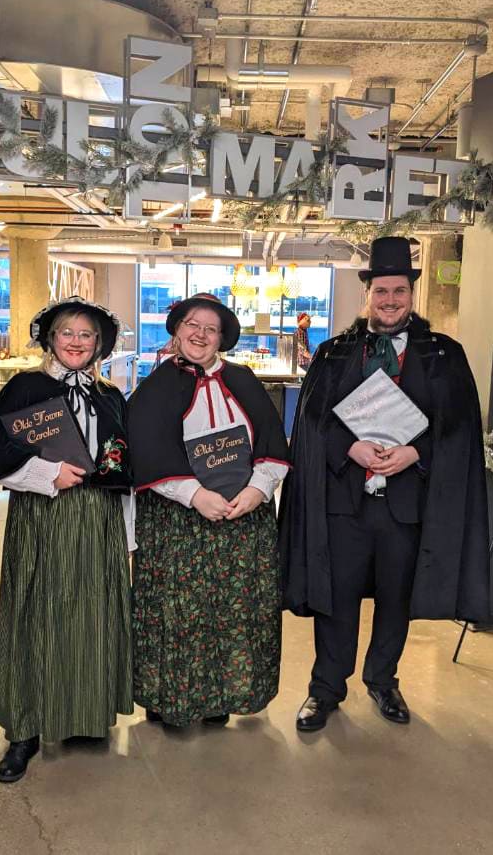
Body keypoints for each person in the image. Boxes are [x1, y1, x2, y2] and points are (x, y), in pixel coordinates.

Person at [279, 236, 489, 730]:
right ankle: (325, 689)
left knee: (397, 597)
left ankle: (383, 680)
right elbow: (310, 427)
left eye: (398, 291)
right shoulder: (333, 354)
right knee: (336, 597)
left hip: (407, 503)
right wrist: (348, 448)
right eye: (381, 291)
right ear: (367, 294)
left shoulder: (444, 355)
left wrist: (416, 452)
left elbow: (459, 430)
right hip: (344, 501)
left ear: (411, 294)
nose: (389, 300)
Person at [0, 297, 135, 782]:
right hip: (42, 515)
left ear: (98, 344)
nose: (77, 342)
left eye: (86, 335)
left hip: (96, 520)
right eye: (67, 333)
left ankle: (80, 712)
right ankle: (25, 730)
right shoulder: (25, 388)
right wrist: (46, 473)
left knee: (90, 611)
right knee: (35, 612)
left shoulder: (109, 395)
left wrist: (126, 529)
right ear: (51, 339)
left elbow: (123, 462)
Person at [128, 293, 291, 727]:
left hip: (243, 517)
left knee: (233, 610)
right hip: (177, 521)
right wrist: (194, 494)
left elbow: (273, 442)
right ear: (177, 330)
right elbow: (146, 447)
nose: (200, 334)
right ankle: (170, 698)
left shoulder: (243, 379)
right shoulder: (157, 385)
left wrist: (258, 489)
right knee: (176, 611)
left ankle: (222, 694)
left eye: (210, 329)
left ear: (221, 338)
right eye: (191, 325)